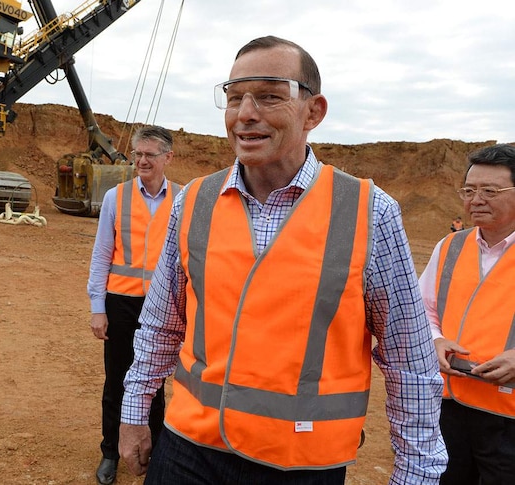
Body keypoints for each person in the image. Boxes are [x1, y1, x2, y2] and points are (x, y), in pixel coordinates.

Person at [118, 35, 448, 484]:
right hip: (189, 451)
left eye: (270, 96)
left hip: (302, 463)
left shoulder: (369, 212)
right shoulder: (194, 201)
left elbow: (409, 359)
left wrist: (417, 473)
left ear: (314, 112)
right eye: (234, 98)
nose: (246, 113)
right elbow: (162, 322)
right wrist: (135, 413)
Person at [87, 125, 181, 485]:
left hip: (162, 306)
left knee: (154, 381)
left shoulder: (184, 199)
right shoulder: (117, 197)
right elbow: (101, 254)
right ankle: (110, 451)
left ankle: (155, 451)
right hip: (121, 303)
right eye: (137, 154)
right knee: (117, 381)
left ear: (167, 158)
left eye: (149, 155)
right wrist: (98, 307)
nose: (141, 160)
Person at [418, 143, 515, 485]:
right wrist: (436, 339)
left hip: (509, 420)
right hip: (451, 406)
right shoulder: (450, 246)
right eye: (470, 190)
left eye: (491, 190)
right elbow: (423, 309)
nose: (477, 199)